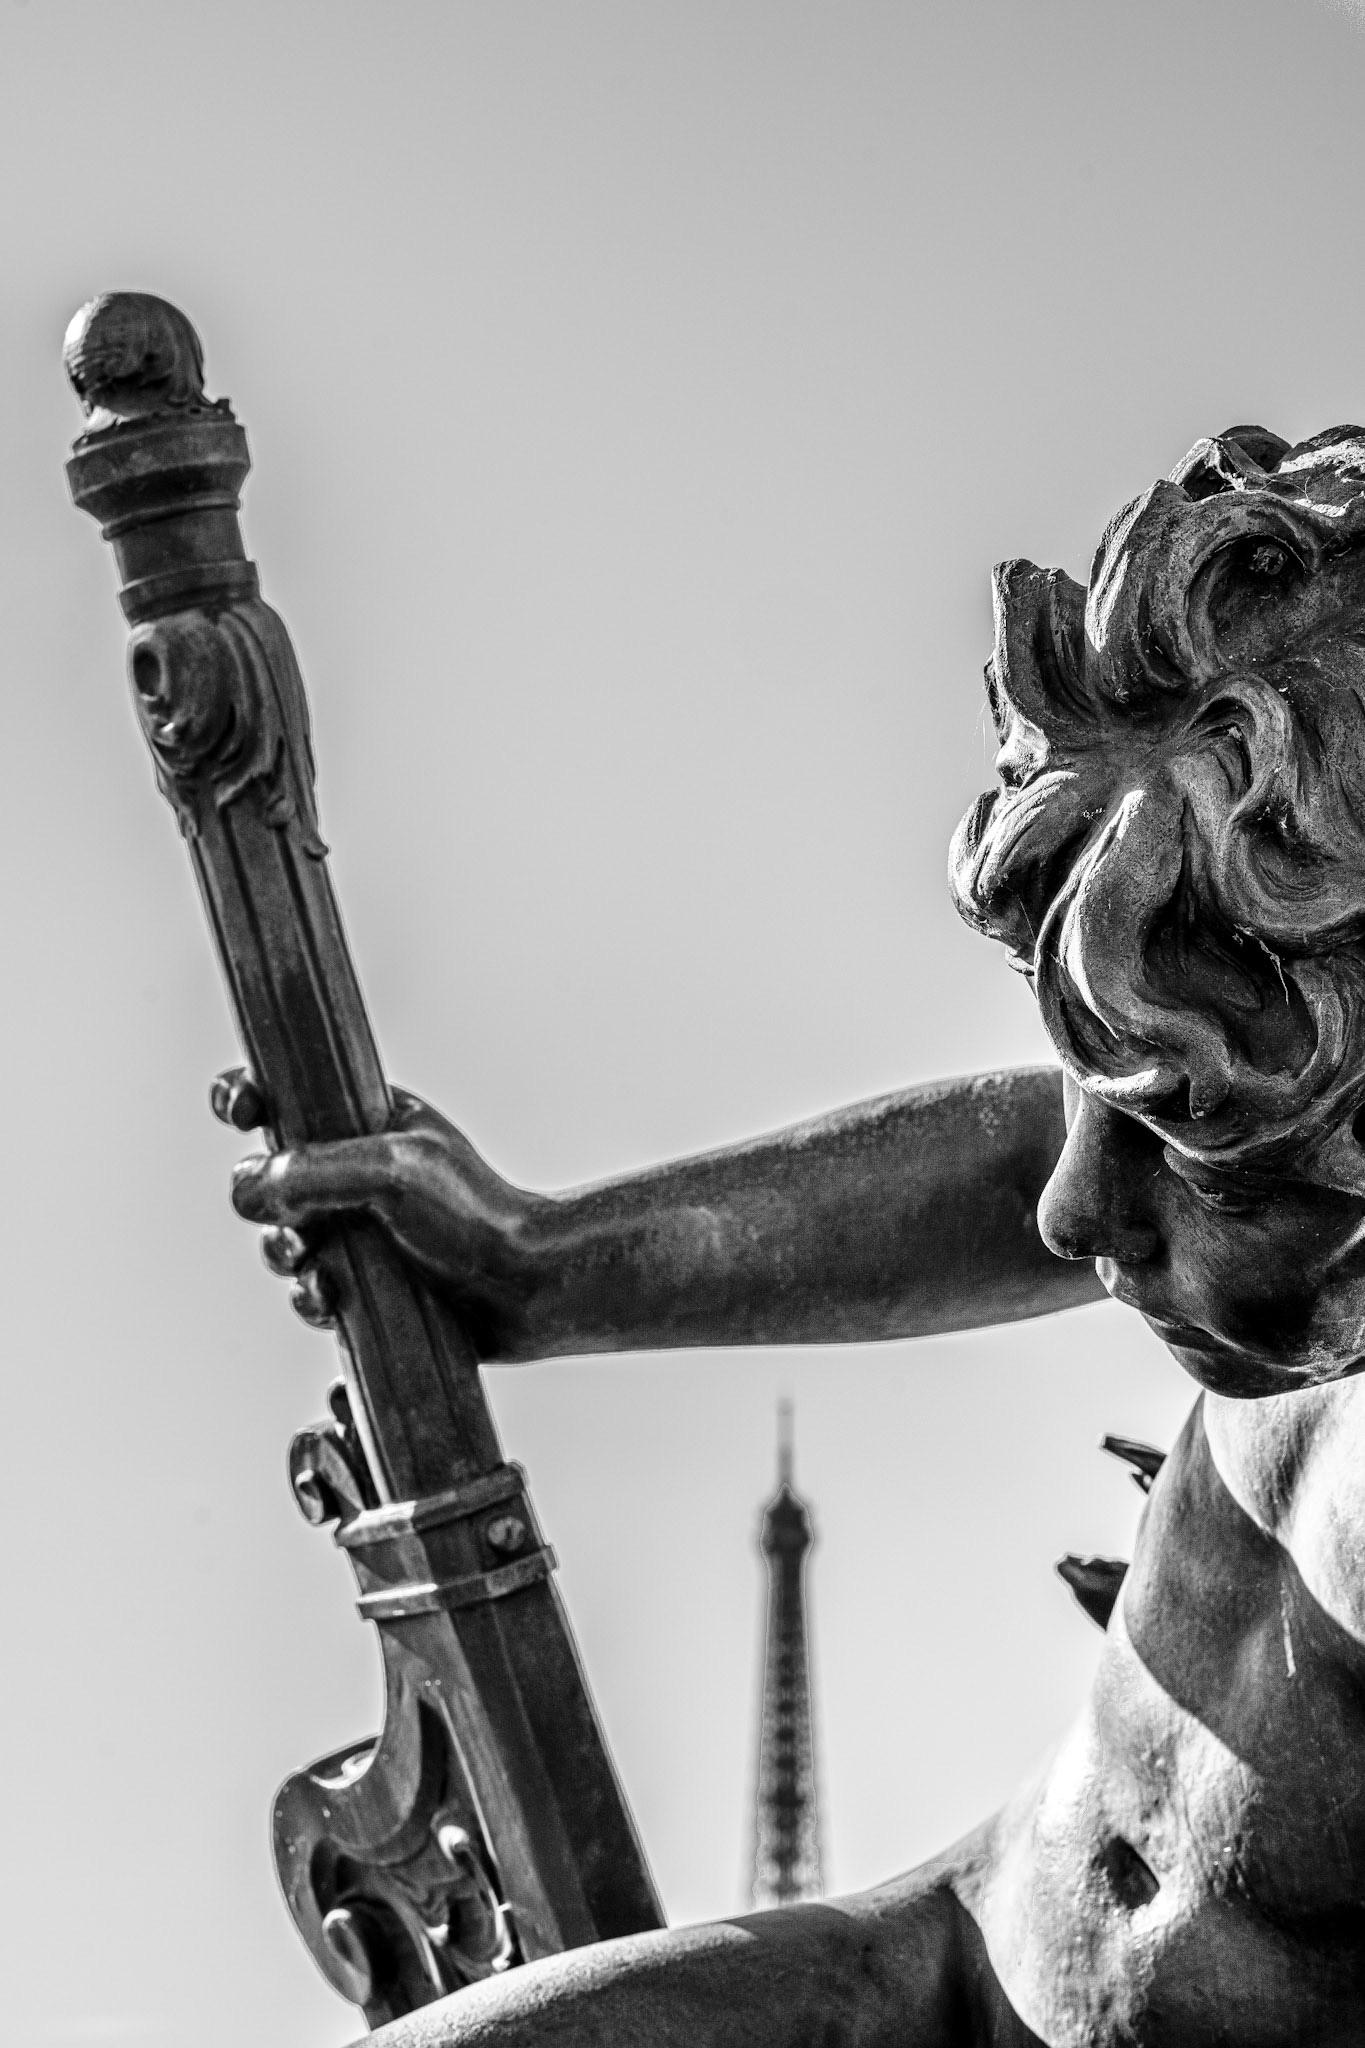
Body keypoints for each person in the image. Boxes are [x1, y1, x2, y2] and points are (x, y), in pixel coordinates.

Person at [233, 425, 1365, 2045]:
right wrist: (533, 1258)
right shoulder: (1286, 1160)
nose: (1072, 1206)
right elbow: (1004, 1169)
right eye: (1087, 1085)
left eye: (1176, 1123)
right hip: (932, 1961)